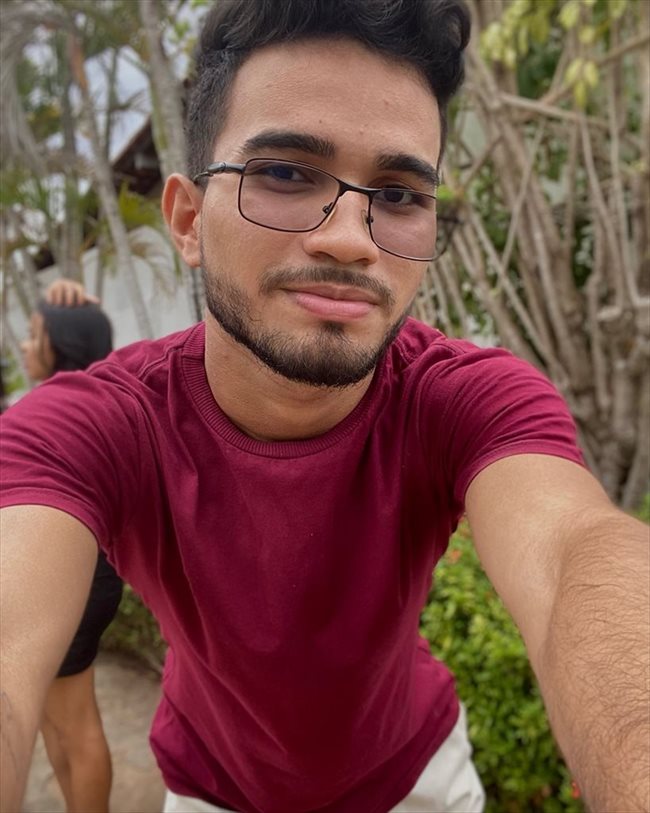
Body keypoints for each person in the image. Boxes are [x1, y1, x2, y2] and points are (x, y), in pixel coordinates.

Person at [1, 2, 648, 812]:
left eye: (399, 192)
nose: (351, 238)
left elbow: (573, 549)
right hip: (213, 788)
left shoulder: (468, 397)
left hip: (417, 778)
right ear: (189, 221)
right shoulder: (93, 426)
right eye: (284, 173)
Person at [15, 283, 123, 813]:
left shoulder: (66, 409)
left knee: (72, 724)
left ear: (61, 344)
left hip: (66, 576)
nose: (24, 346)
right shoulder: (85, 401)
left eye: (35, 333)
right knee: (58, 723)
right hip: (69, 574)